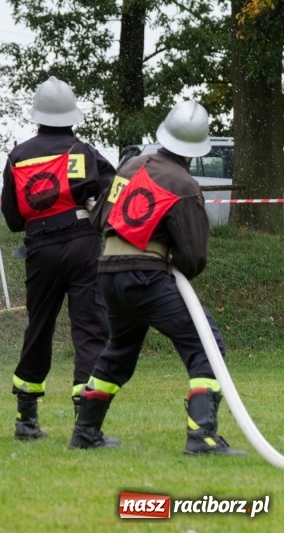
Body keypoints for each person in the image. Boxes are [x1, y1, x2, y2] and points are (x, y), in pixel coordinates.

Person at [69, 100, 246, 456]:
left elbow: (101, 217)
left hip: (107, 272)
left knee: (119, 350)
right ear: (197, 149)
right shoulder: (183, 184)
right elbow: (193, 257)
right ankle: (202, 438)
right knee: (205, 345)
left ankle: (85, 432)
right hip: (146, 276)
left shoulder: (131, 165)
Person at [1, 76, 116, 441]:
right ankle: (86, 425)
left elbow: (13, 219)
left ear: (38, 115)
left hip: (40, 248)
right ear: (71, 116)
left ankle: (26, 419)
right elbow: (113, 187)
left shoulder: (18, 156)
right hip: (83, 244)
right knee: (89, 327)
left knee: (39, 327)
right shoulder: (83, 151)